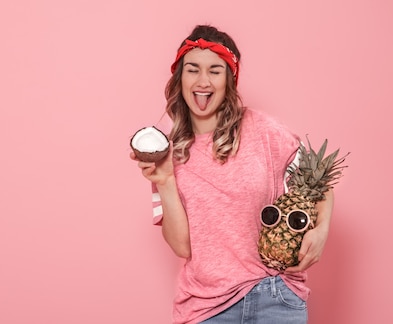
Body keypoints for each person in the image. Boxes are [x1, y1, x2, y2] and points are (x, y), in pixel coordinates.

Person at [129, 25, 334, 324]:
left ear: (229, 80)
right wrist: (166, 181)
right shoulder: (168, 155)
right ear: (179, 78)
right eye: (193, 70)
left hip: (274, 298)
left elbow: (320, 181)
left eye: (215, 71)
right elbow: (181, 246)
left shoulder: (263, 130)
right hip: (205, 309)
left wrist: (321, 231)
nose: (203, 81)